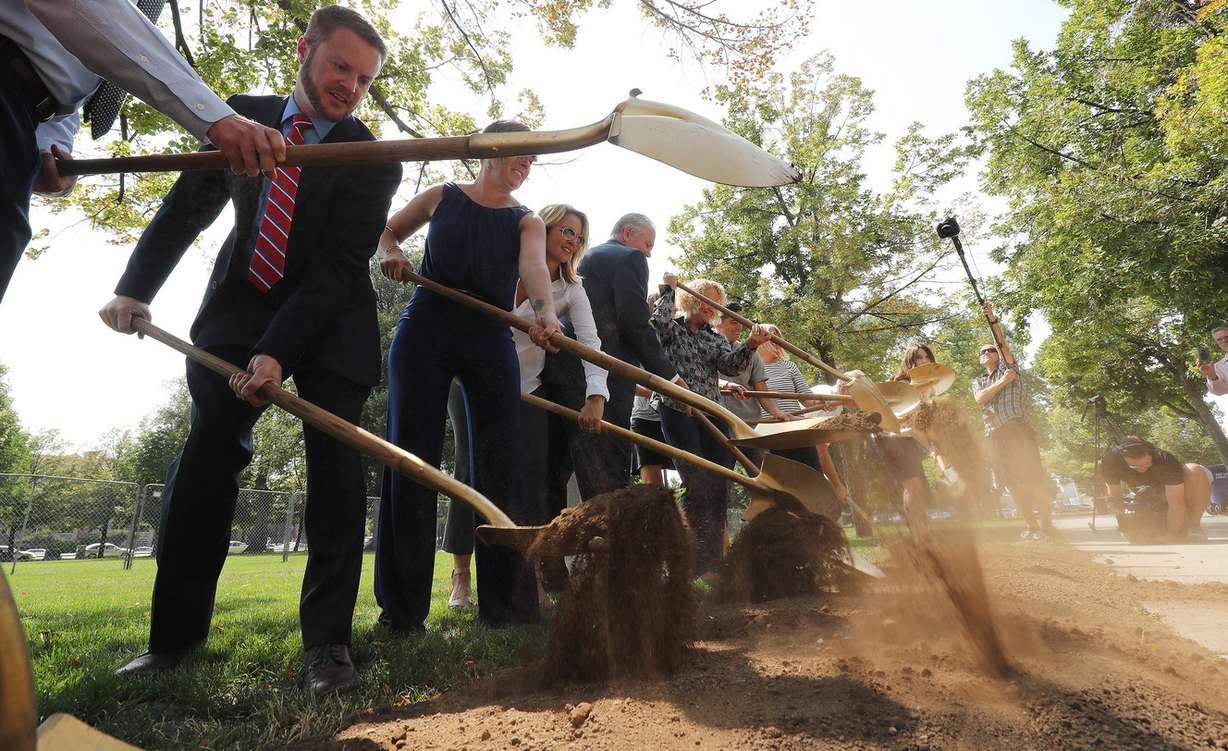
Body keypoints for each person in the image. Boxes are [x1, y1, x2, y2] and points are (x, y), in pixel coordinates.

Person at [98, 6, 399, 694]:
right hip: (240, 305)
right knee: (206, 459)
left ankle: (328, 647)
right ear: (304, 49)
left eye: (364, 79)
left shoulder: (372, 157)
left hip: (331, 321)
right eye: (340, 66)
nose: (350, 86)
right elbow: (186, 208)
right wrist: (134, 289)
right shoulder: (236, 119)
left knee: (335, 474)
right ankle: (172, 640)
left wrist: (278, 352)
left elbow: (336, 269)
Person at [375, 121, 560, 633]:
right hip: (426, 325)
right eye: (521, 156)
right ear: (492, 150)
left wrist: (544, 313)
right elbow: (387, 232)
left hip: (490, 333)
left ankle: (508, 608)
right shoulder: (443, 195)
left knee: (501, 464)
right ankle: (402, 612)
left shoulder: (527, 220)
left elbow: (534, 270)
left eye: (532, 161)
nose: (526, 167)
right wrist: (391, 253)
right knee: (411, 458)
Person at [2, 0, 286, 302]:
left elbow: (61, 58)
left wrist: (48, 143)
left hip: (22, 113)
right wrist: (215, 116)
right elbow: (80, 10)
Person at [441, 203, 607, 609]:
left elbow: (590, 343)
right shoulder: (501, 265)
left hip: (527, 389)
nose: (572, 242)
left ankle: (528, 575)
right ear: (543, 228)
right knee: (469, 468)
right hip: (473, 381)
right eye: (566, 231)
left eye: (579, 237)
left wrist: (596, 395)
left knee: (530, 476)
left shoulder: (571, 289)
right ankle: (461, 575)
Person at [556, 213, 682, 497]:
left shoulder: (587, 258)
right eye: (648, 244)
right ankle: (610, 524)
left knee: (562, 467)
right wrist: (671, 378)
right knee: (609, 472)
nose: (648, 254)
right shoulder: (629, 258)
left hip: (568, 370)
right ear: (627, 233)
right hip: (607, 376)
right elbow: (634, 323)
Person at [653, 273, 769, 578]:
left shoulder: (714, 337)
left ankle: (713, 560)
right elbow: (658, 323)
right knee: (695, 480)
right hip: (678, 410)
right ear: (691, 299)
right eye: (707, 300)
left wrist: (751, 344)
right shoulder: (672, 328)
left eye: (716, 304)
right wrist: (668, 289)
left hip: (712, 413)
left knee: (719, 481)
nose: (712, 307)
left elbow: (731, 365)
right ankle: (690, 557)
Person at [972, 303, 1056, 541]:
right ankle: (1031, 526)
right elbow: (981, 398)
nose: (987, 353)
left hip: (1017, 429)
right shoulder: (979, 381)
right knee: (1011, 481)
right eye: (982, 352)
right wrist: (1002, 383)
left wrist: (992, 320)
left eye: (991, 350)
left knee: (1034, 476)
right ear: (979, 359)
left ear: (997, 355)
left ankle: (1047, 525)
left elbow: (1002, 344)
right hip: (994, 434)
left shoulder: (1009, 368)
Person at [756, 325, 850, 506]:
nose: (775, 340)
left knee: (812, 475)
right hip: (770, 434)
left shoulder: (789, 367)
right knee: (783, 485)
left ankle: (818, 514)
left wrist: (824, 402)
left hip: (797, 430)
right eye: (770, 336)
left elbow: (808, 400)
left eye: (778, 336)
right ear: (761, 340)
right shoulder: (753, 367)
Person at [1100, 438, 1210, 542]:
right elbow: (1115, 498)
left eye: (1146, 464)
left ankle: (1193, 527)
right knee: (1139, 533)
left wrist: (1171, 535)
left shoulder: (1166, 460)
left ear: (1150, 454)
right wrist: (1124, 526)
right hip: (1146, 492)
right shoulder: (1111, 461)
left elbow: (1176, 503)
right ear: (1123, 458)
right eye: (1134, 466)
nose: (1142, 468)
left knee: (1195, 470)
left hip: (1174, 487)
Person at [1198, 324, 1228, 396]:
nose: (1224, 340)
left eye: (1226, 337)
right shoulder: (1217, 367)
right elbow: (1220, 391)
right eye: (1219, 339)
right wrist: (1212, 376)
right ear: (1217, 343)